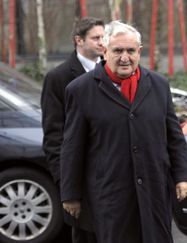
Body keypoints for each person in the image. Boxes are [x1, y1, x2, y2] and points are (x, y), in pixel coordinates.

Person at [60, 20, 187, 243]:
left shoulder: (159, 85)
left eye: (131, 51)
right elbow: (72, 146)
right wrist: (70, 194)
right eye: (118, 50)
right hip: (110, 197)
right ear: (104, 50)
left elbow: (174, 136)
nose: (125, 57)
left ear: (139, 51)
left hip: (154, 192)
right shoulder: (80, 90)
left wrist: (183, 175)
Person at [41, 16, 105, 243]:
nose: (101, 42)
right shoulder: (58, 78)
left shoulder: (111, 70)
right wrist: (66, 186)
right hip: (80, 179)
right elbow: (54, 136)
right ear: (79, 40)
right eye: (96, 37)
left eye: (103, 37)